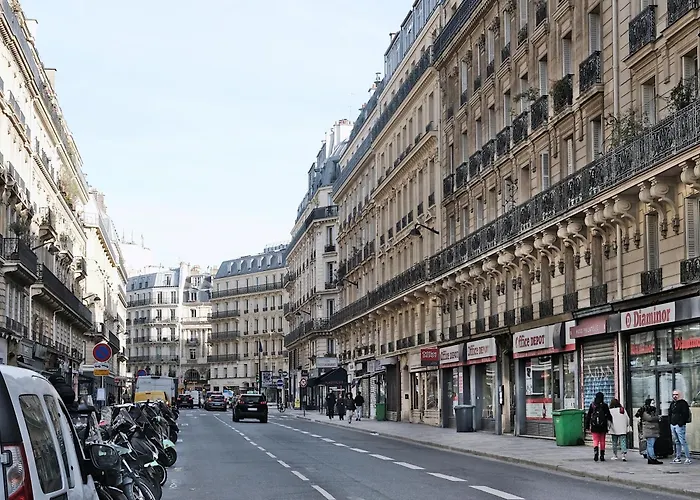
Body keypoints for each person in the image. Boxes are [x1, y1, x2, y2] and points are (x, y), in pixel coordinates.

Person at [585, 391, 613, 462]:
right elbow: (608, 415)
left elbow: (588, 416)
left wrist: (587, 426)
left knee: (595, 440)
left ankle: (596, 453)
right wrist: (610, 421)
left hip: (594, 426)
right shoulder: (604, 405)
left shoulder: (592, 405)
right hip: (603, 426)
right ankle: (602, 455)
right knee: (602, 440)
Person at [637, 398, 663, 465]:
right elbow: (649, 418)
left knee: (650, 445)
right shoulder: (645, 411)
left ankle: (650, 458)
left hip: (652, 430)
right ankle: (652, 458)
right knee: (651, 445)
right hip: (650, 430)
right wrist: (658, 417)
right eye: (652, 403)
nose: (654, 404)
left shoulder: (651, 410)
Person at [669, 390, 691, 464]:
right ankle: (678, 457)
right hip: (673, 424)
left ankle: (688, 458)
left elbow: (685, 414)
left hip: (679, 425)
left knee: (682, 441)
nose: (675, 396)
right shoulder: (672, 403)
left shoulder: (683, 403)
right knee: (677, 441)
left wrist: (680, 422)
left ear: (680, 395)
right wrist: (670, 421)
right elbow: (670, 412)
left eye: (676, 394)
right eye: (673, 394)